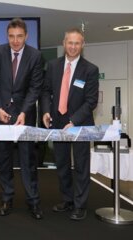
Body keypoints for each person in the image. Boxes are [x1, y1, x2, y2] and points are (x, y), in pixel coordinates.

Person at [0, 18, 43, 219]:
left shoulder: (35, 55)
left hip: (24, 116)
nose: (15, 41)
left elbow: (35, 87)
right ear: (7, 36)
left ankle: (33, 201)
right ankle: (6, 198)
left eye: (19, 36)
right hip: (0, 115)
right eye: (11, 36)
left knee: (28, 160)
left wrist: (24, 112)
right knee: (4, 160)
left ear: (26, 36)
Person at [41, 28, 99, 221]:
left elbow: (91, 101)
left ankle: (80, 205)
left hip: (81, 125)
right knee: (62, 165)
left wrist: (73, 121)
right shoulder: (53, 65)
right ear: (64, 43)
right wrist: (46, 111)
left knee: (81, 165)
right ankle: (67, 200)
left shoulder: (90, 69)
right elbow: (46, 92)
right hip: (57, 124)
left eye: (77, 43)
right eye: (70, 42)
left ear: (82, 45)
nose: (73, 46)